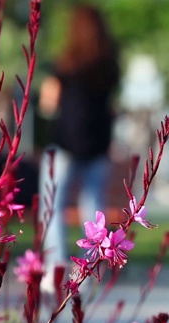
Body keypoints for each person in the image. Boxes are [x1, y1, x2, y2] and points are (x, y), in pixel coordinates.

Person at [38, 4, 120, 291]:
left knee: (52, 205)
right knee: (93, 207)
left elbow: (49, 102)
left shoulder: (65, 62)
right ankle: (87, 270)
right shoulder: (109, 64)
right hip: (98, 142)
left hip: (65, 142)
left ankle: (55, 267)